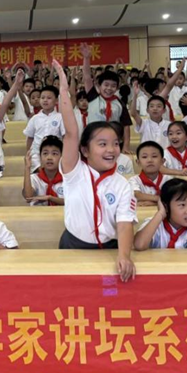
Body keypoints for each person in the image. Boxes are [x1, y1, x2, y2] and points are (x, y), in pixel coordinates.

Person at [54, 60, 137, 282]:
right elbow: (71, 133)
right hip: (73, 245)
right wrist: (64, 91)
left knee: (107, 295)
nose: (111, 150)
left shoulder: (122, 184)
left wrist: (124, 255)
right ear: (85, 150)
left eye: (116, 144)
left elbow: (125, 223)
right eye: (102, 144)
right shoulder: (74, 171)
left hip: (109, 248)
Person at [133, 179, 187, 251]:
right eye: (182, 205)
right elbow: (139, 245)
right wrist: (160, 214)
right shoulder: (155, 224)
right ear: (165, 206)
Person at [24, 85, 65, 171]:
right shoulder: (35, 118)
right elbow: (30, 137)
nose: (45, 100)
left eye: (49, 98)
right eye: (42, 98)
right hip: (36, 154)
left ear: (56, 101)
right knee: (39, 174)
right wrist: (28, 153)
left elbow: (64, 137)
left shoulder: (60, 117)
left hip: (54, 153)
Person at [22, 135, 64, 206]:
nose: (49, 158)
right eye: (45, 153)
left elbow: (72, 202)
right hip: (38, 213)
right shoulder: (35, 178)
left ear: (62, 157)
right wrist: (27, 168)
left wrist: (50, 198)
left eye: (54, 154)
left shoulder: (67, 179)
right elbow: (28, 197)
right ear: (40, 158)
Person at [129, 141, 171, 206]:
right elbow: (137, 195)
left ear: (162, 161)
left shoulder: (169, 180)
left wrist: (154, 203)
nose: (150, 160)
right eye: (144, 157)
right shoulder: (134, 180)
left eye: (154, 156)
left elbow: (172, 198)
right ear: (138, 162)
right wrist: (160, 200)